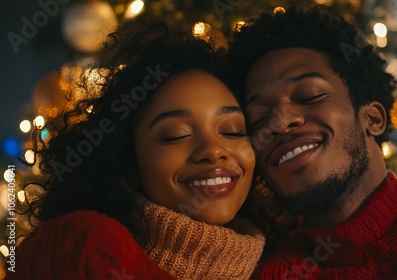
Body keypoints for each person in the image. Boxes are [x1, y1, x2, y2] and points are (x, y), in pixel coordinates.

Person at [229, 6, 397, 279]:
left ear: (373, 119)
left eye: (309, 96)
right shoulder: (273, 273)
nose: (278, 122)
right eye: (259, 118)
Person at [7, 19, 264, 280]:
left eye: (233, 130)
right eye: (176, 135)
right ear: (128, 162)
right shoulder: (75, 248)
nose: (213, 150)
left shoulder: (285, 265)